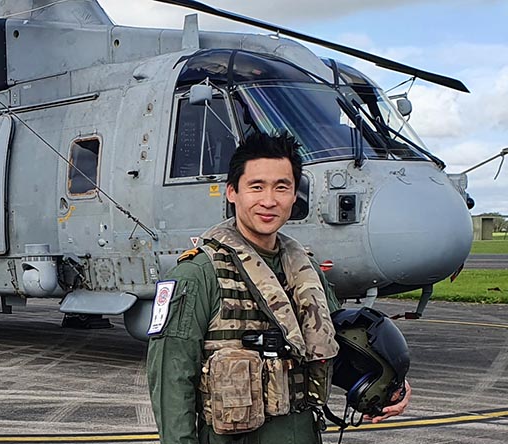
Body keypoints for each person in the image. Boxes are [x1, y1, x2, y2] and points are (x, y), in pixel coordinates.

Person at [146, 132, 410, 444]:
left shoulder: (307, 272)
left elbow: (333, 349)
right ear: (232, 192)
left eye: (281, 187)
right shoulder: (198, 274)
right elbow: (171, 381)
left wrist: (387, 387)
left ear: (294, 194)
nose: (269, 201)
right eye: (256, 187)